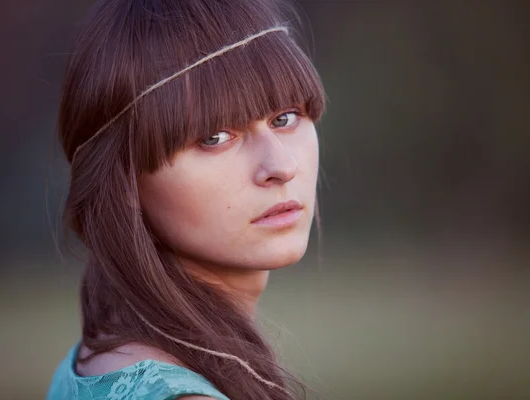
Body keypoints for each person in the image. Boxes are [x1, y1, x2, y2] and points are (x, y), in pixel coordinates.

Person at [47, 0, 325, 399]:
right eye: (213, 137)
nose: (281, 166)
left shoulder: (98, 359)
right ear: (123, 181)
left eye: (285, 118)